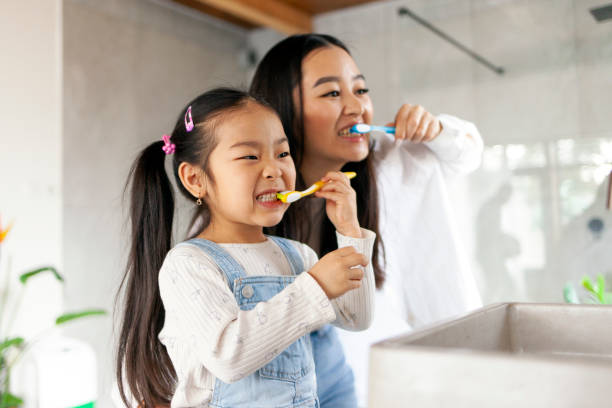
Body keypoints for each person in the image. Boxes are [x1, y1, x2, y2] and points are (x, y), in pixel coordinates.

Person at [250, 34, 484, 406]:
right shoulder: (254, 205)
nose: (356, 106)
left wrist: (437, 130)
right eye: (331, 93)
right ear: (281, 112)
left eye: (361, 90)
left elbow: (468, 153)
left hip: (417, 379)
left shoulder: (392, 160)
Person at [115, 87, 376, 407]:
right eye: (250, 156)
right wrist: (315, 287)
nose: (274, 170)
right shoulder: (189, 264)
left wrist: (349, 230)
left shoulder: (298, 255)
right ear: (195, 179)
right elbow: (229, 356)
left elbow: (356, 317)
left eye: (282, 154)